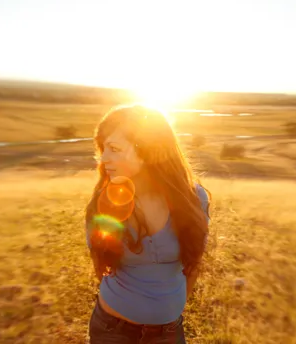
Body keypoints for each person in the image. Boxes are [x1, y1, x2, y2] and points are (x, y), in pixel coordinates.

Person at [85, 103, 211, 343]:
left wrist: (170, 307)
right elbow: (100, 264)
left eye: (113, 148)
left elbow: (194, 262)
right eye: (102, 148)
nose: (103, 159)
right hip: (112, 331)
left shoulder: (193, 200)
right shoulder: (104, 203)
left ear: (147, 150)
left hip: (169, 332)